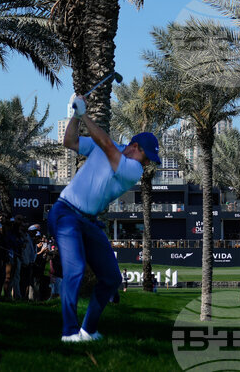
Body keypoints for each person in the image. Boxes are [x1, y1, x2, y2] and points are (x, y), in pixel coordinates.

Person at [50, 93, 160, 343]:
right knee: (75, 269)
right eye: (147, 157)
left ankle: (88, 330)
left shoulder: (133, 169)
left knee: (111, 277)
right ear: (135, 147)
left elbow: (107, 146)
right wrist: (75, 116)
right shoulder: (108, 148)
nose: (147, 164)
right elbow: (70, 141)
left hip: (88, 221)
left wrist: (84, 114)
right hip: (65, 213)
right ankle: (69, 332)